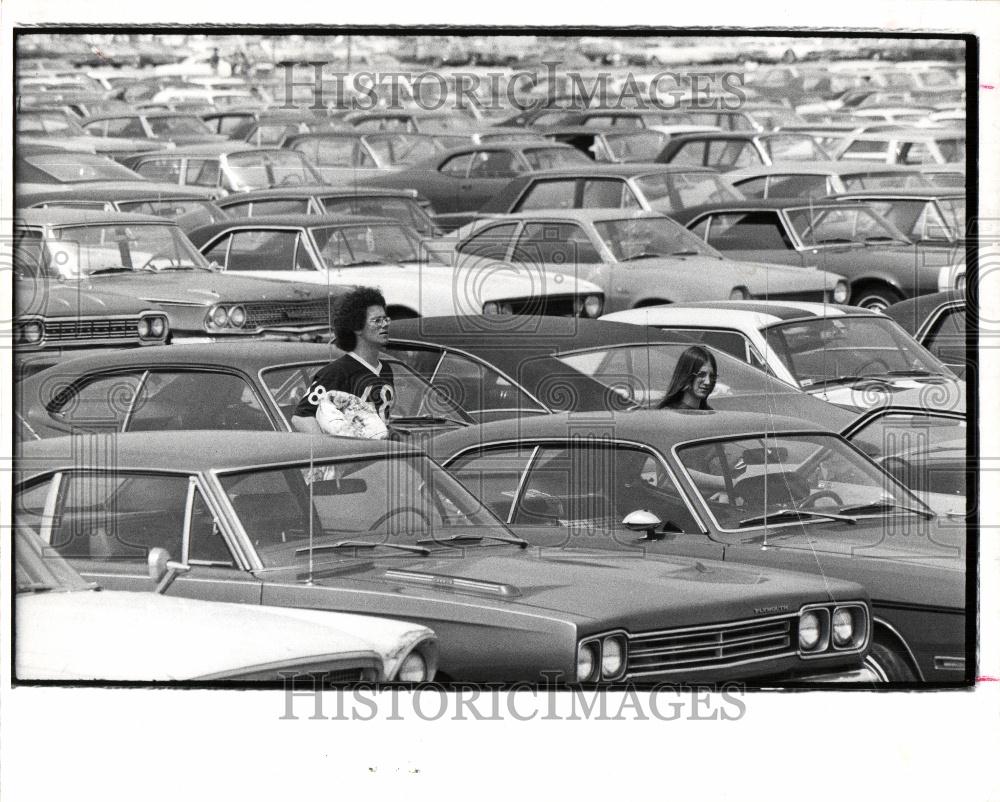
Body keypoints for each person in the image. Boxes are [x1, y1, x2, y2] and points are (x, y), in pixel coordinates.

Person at [290, 287, 394, 434]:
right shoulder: (337, 373)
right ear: (357, 328)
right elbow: (301, 417)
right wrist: (330, 449)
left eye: (385, 319)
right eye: (377, 320)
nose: (384, 324)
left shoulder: (386, 369)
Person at [658, 346, 718, 410]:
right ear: (686, 375)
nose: (708, 382)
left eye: (712, 376)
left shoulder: (712, 415)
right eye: (701, 374)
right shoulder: (667, 414)